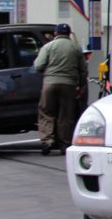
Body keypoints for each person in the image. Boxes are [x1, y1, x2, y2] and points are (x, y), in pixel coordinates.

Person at [33, 23, 87, 155]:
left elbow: (38, 66)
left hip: (50, 84)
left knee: (46, 112)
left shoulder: (48, 46)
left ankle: (48, 141)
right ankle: (65, 143)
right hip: (69, 85)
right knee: (66, 115)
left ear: (56, 34)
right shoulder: (76, 48)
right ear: (69, 34)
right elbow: (83, 71)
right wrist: (80, 86)